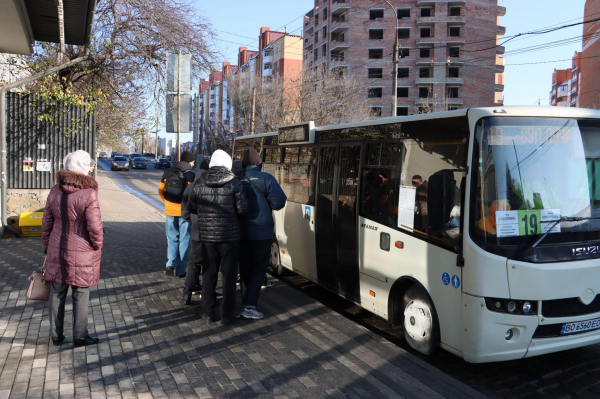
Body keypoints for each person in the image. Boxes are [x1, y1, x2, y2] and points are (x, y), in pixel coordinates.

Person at [42, 150, 103, 347]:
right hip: (83, 250)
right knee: (81, 293)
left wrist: (47, 246)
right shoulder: (89, 193)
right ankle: (80, 336)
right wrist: (97, 246)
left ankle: (55, 335)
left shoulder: (54, 190)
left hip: (57, 248)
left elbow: (46, 223)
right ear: (84, 168)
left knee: (57, 291)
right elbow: (95, 226)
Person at [188, 150, 248, 325]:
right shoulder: (235, 183)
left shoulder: (199, 183)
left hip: (207, 236)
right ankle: (227, 316)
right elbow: (243, 210)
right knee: (229, 277)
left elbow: (192, 207)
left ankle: (207, 313)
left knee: (208, 275)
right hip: (230, 237)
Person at [237, 149, 287, 320]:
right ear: (259, 162)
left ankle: (245, 303)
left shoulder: (237, 178)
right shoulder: (267, 178)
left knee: (244, 269)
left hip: (241, 233)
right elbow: (279, 202)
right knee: (258, 270)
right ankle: (249, 306)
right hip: (261, 233)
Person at [180, 159, 213, 305]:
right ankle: (207, 294)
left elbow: (184, 211)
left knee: (193, 264)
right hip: (211, 232)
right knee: (210, 264)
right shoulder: (212, 186)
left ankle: (187, 293)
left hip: (196, 231)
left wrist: (193, 222)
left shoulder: (191, 186)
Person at [158, 151, 196, 277]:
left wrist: (167, 202)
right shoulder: (190, 175)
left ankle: (170, 264)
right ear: (190, 161)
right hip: (184, 212)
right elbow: (192, 195)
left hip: (170, 211)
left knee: (171, 238)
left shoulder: (168, 172)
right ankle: (181, 270)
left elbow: (160, 190)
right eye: (193, 161)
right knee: (184, 240)